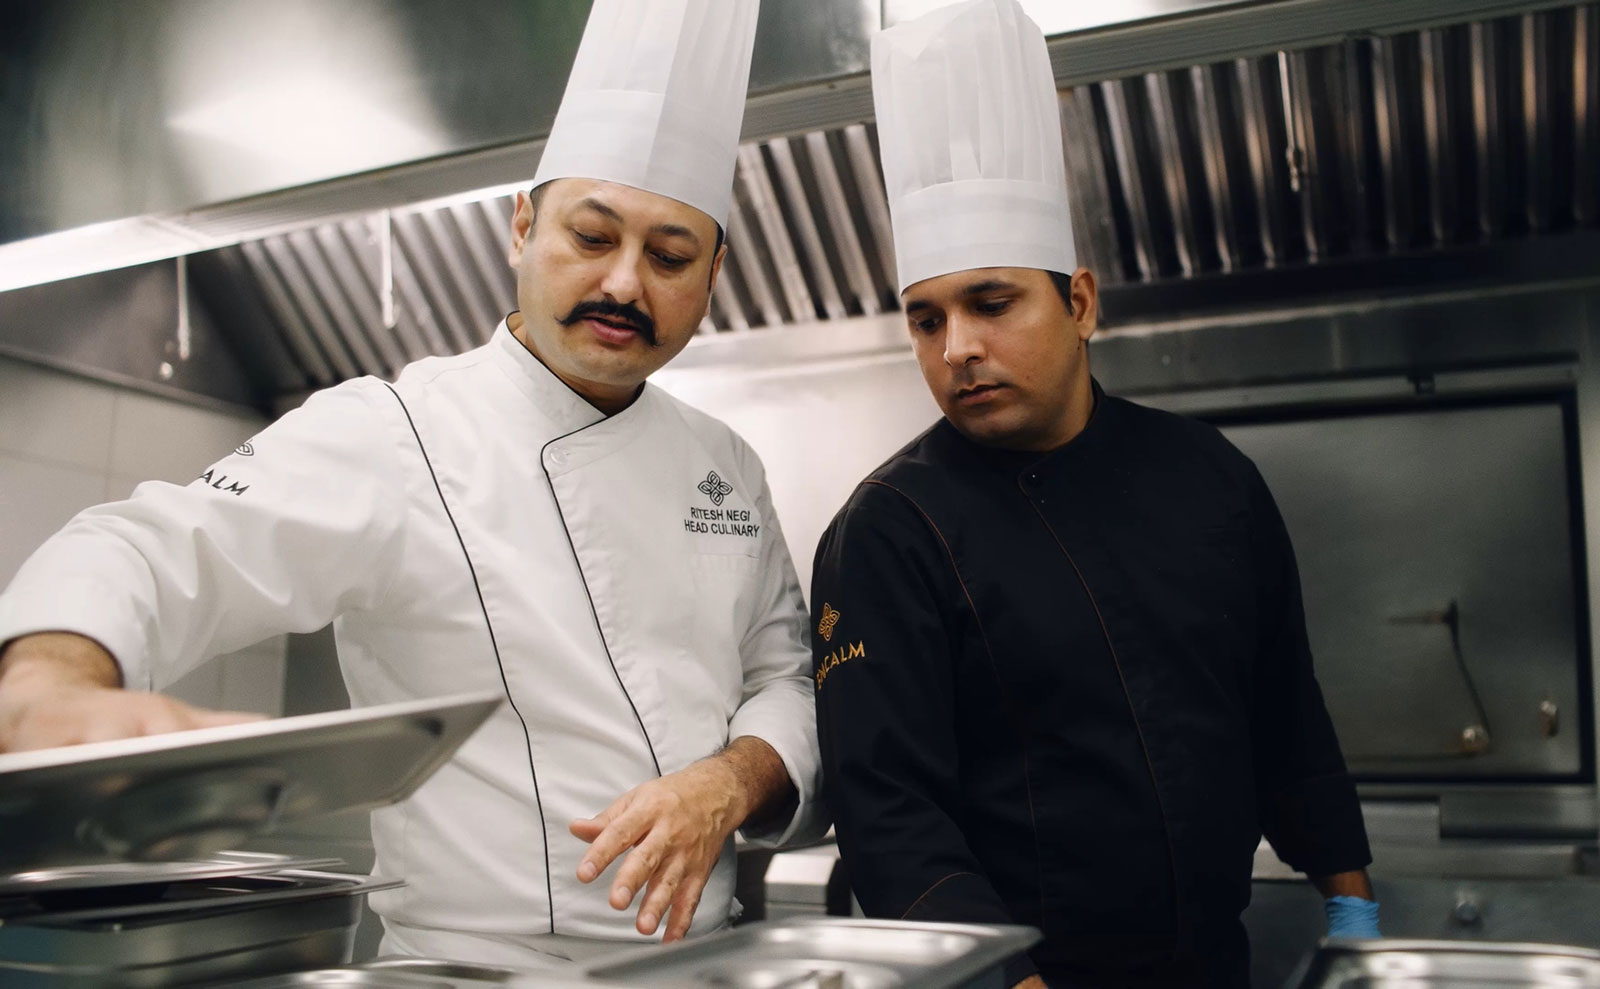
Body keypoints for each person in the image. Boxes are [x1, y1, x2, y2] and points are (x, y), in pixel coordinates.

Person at [0, 0, 825, 967]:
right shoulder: (400, 432)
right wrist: (46, 679)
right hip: (479, 971)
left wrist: (728, 782)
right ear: (522, 227)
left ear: (715, 270)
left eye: (671, 255)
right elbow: (158, 541)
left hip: (704, 964)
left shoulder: (725, 461)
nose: (626, 285)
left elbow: (786, 679)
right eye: (592, 237)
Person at [809, 2, 1376, 985]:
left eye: (991, 302)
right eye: (924, 318)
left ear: (1079, 301)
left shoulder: (1210, 477)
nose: (956, 349)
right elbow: (888, 812)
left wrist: (1352, 901)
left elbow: (1285, 714)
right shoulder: (887, 530)